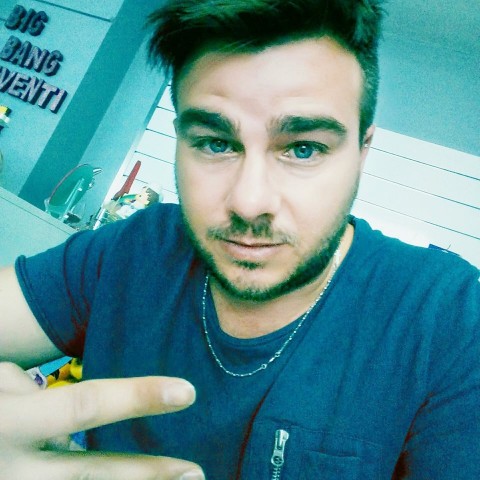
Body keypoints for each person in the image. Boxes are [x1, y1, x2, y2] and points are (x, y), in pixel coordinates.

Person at [0, 0, 479, 478]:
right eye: (216, 143)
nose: (250, 203)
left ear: (362, 151)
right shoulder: (133, 249)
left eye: (304, 149)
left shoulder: (451, 318)